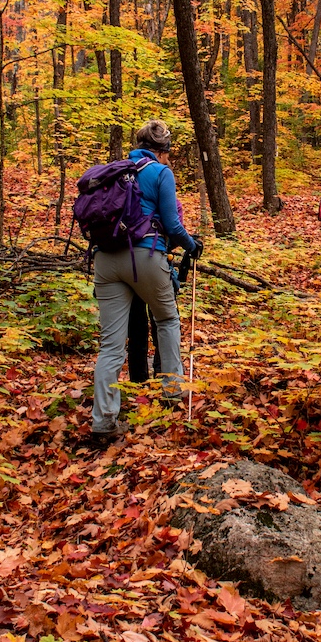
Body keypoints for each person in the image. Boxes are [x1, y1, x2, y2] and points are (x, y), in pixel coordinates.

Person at [91, 119, 201, 443]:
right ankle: (171, 392)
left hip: (106, 258)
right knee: (167, 319)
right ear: (163, 150)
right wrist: (192, 245)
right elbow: (172, 224)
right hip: (144, 255)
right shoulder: (160, 173)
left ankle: (103, 421)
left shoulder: (116, 170)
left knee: (111, 343)